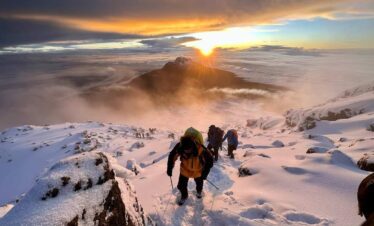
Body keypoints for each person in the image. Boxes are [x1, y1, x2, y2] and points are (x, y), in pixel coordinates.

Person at [167, 127, 214, 205]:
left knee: (199, 184)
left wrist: (205, 174)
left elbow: (210, 161)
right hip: (185, 169)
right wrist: (169, 168)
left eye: (189, 150)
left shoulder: (201, 149)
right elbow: (172, 155)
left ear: (193, 146)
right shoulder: (180, 146)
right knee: (181, 186)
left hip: (198, 170)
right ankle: (184, 196)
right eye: (185, 150)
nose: (187, 152)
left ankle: (199, 192)